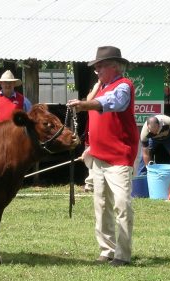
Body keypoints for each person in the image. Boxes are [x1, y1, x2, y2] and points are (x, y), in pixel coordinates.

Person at [67, 46, 139, 267]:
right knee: (101, 205)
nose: (96, 70)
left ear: (114, 66)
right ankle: (107, 250)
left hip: (118, 157)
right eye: (95, 67)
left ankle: (122, 254)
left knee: (121, 205)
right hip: (98, 156)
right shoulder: (100, 87)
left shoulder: (123, 86)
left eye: (100, 66)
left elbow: (114, 103)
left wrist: (85, 104)